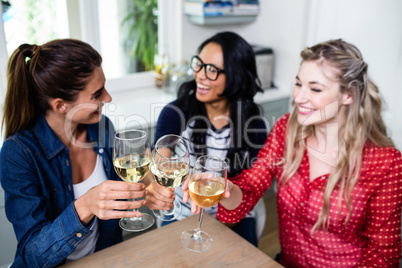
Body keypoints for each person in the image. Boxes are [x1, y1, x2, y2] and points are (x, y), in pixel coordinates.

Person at [183, 39, 402, 267]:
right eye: (298, 84)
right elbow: (252, 185)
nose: (298, 97)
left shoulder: (386, 163)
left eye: (315, 89)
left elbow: (382, 255)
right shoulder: (286, 130)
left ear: (349, 95)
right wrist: (226, 188)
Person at [0, 39, 150, 267]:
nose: (108, 98)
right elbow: (32, 255)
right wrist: (85, 206)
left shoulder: (103, 127)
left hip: (103, 258)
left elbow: (123, 188)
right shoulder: (18, 153)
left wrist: (151, 188)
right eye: (97, 94)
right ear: (61, 106)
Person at [144, 31, 267, 246]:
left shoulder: (254, 126)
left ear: (236, 76)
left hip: (234, 218)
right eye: (198, 64)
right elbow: (159, 168)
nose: (200, 75)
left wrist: (215, 230)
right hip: (182, 216)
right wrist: (154, 183)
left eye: (212, 70)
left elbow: (250, 188)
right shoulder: (175, 113)